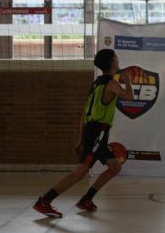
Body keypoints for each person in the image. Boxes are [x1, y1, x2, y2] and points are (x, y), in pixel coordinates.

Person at [33, 48, 134, 218]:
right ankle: (45, 200)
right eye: (116, 57)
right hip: (97, 133)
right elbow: (130, 97)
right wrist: (128, 81)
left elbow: (84, 113)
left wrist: (81, 138)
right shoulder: (111, 83)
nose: (118, 60)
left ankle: (86, 199)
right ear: (111, 63)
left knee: (114, 167)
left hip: (94, 132)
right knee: (79, 173)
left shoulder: (96, 83)